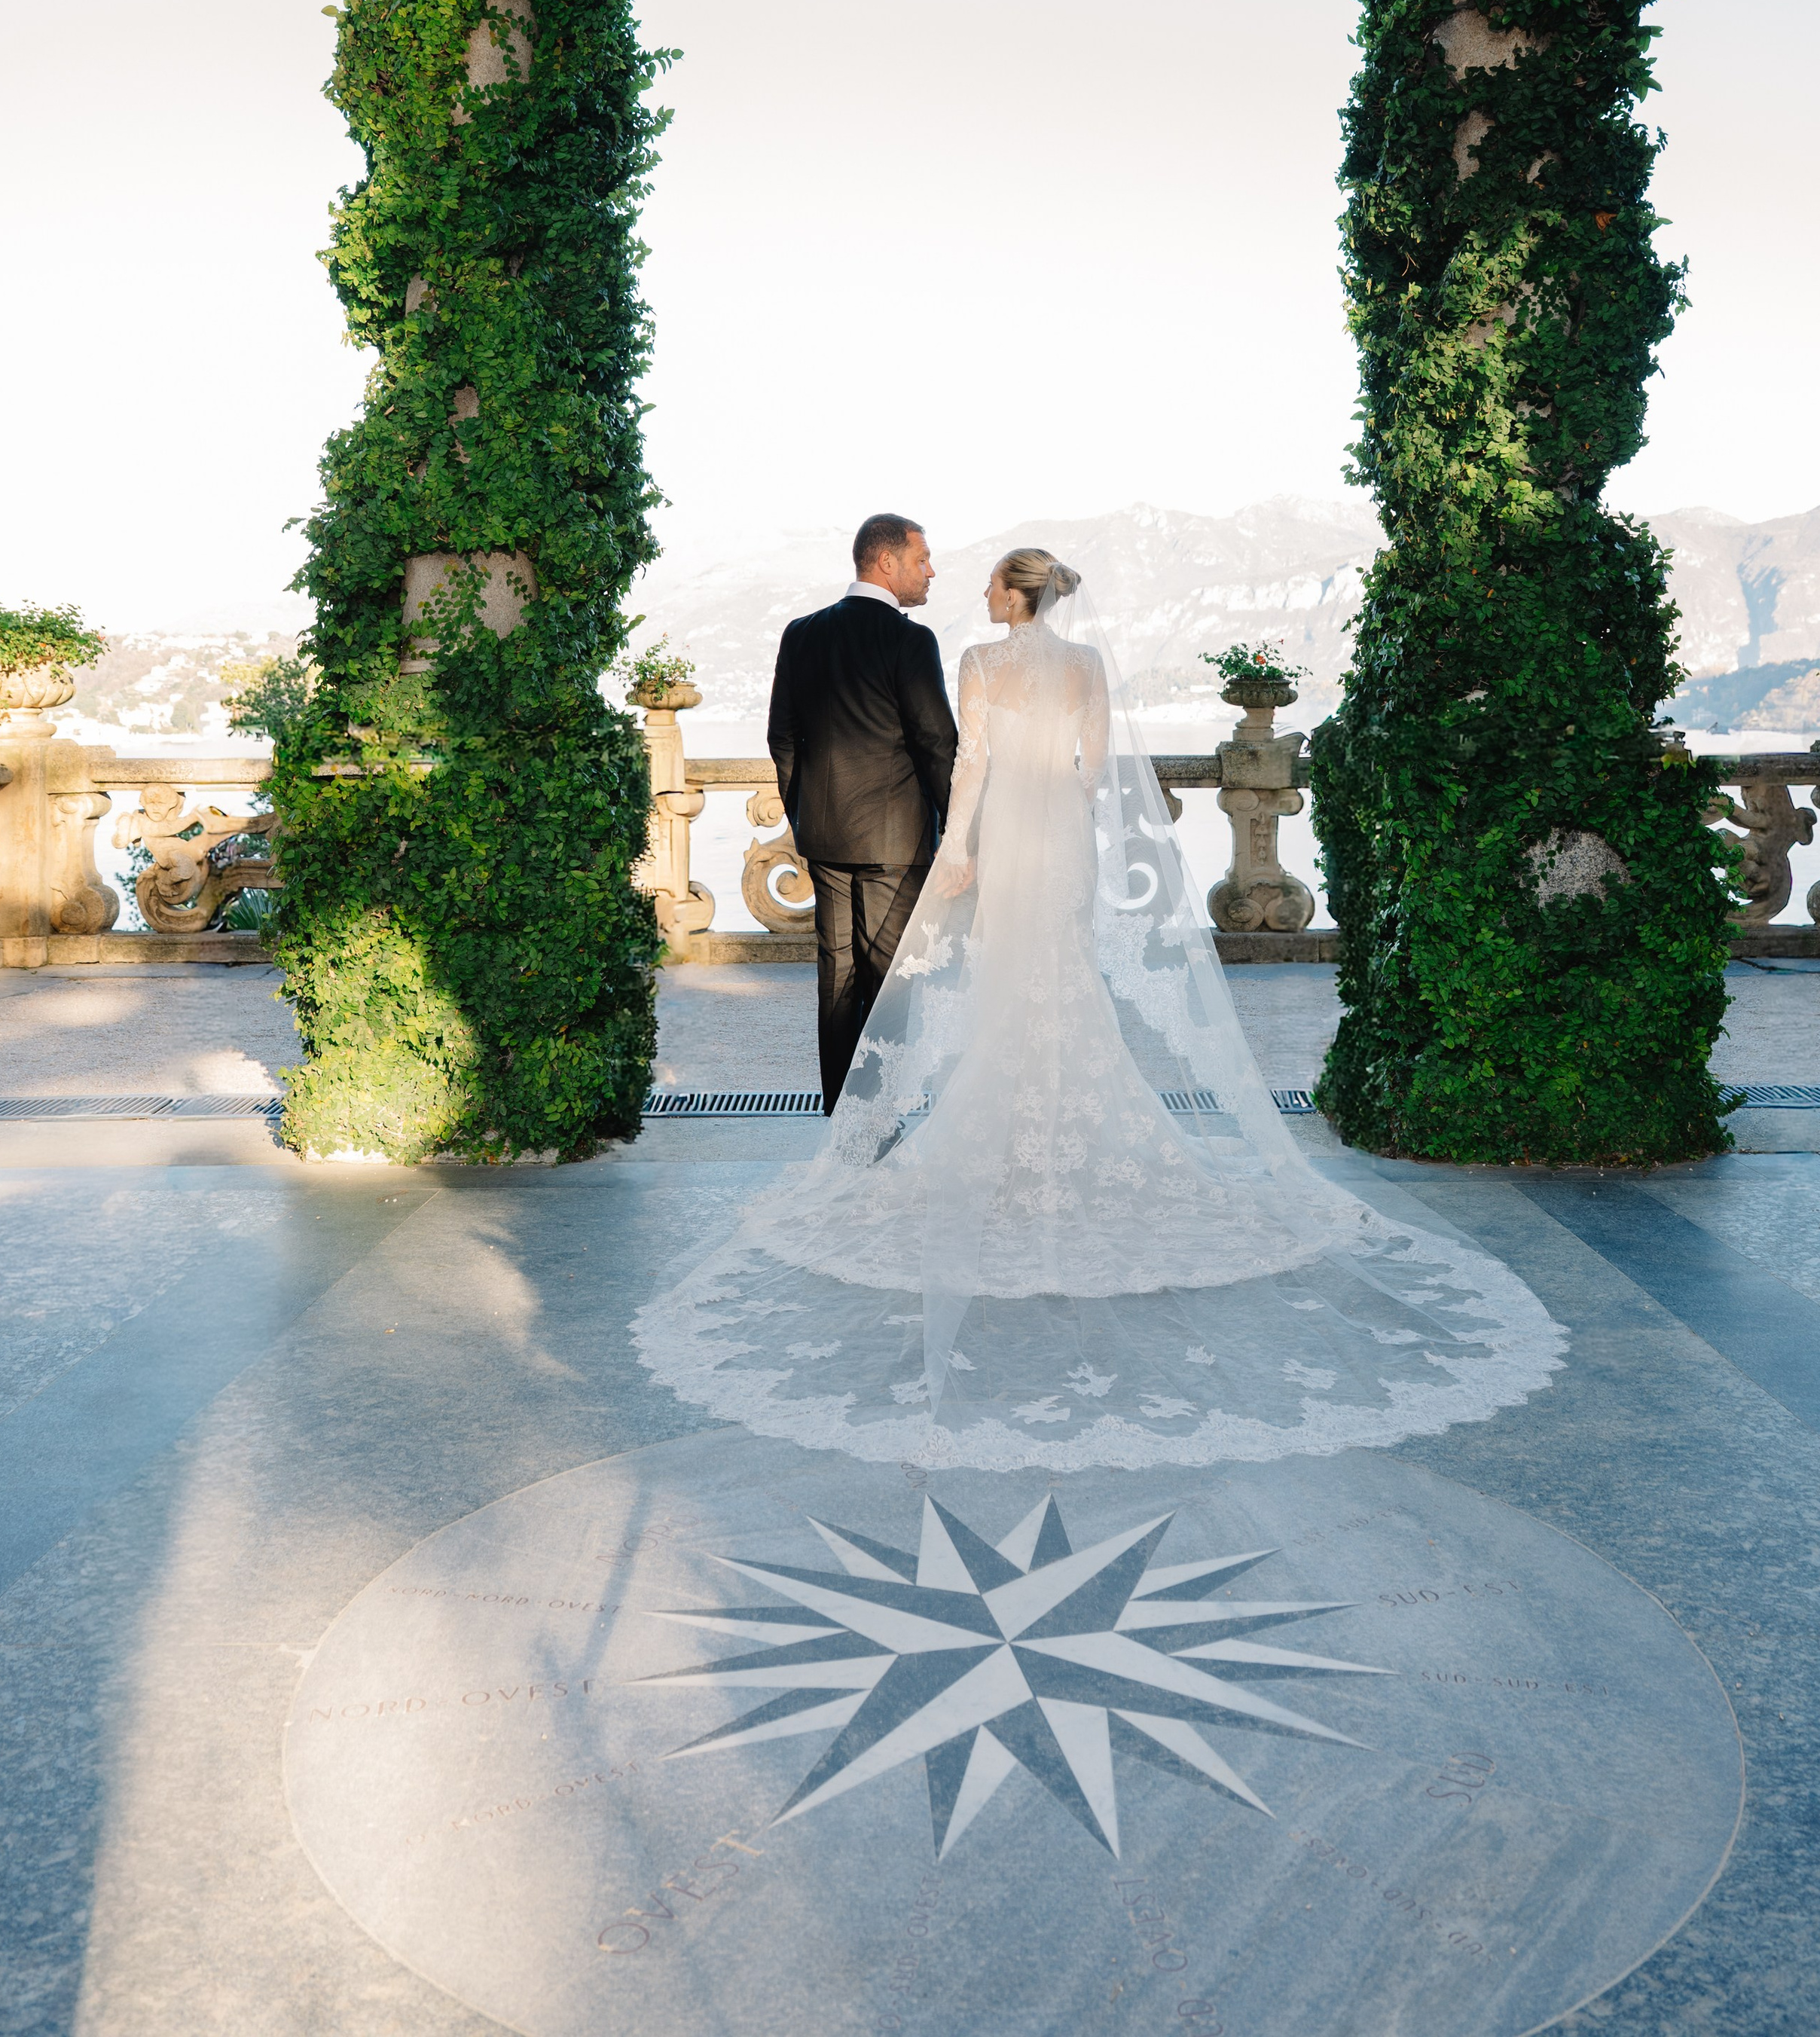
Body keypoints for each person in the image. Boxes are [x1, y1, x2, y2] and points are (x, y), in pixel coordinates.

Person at [637, 549, 1562, 1471]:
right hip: (1065, 845)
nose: (980, 593)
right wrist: (1055, 822)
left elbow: (969, 771)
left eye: (993, 582)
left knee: (1010, 994)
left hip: (1004, 836)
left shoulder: (981, 663)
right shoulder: (1082, 667)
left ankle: (1005, 1146)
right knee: (1065, 987)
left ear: (1014, 593)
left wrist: (959, 852)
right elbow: (1091, 774)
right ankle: (1056, 1139)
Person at [768, 512, 958, 1114]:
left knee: (837, 974)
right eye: (922, 559)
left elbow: (783, 738)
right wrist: (958, 830)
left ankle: (839, 1110)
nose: (930, 571)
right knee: (890, 976)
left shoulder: (801, 633)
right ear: (886, 563)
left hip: (824, 836)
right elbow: (936, 743)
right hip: (895, 843)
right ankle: (878, 1114)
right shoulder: (909, 640)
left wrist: (804, 818)